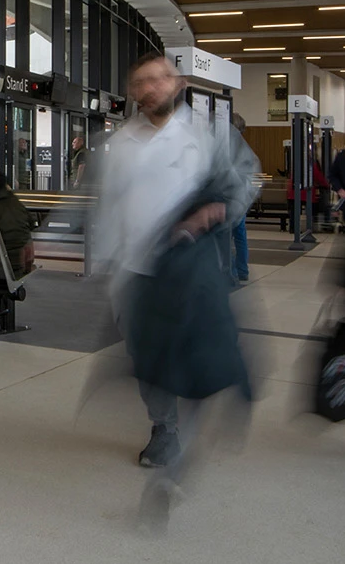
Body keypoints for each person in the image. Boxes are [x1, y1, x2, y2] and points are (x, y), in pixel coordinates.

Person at [87, 52, 259, 470]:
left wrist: (218, 210)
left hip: (190, 272)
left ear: (178, 83)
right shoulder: (120, 143)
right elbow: (105, 203)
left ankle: (194, 412)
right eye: (141, 82)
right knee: (146, 357)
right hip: (133, 274)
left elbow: (246, 179)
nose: (149, 89)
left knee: (190, 349)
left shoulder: (207, 136)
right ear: (132, 90)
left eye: (158, 79)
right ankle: (164, 427)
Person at [229, 113, 251, 284]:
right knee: (240, 236)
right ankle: (242, 270)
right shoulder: (245, 149)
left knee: (224, 238)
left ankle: (232, 272)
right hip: (242, 199)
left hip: (230, 199)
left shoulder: (228, 148)